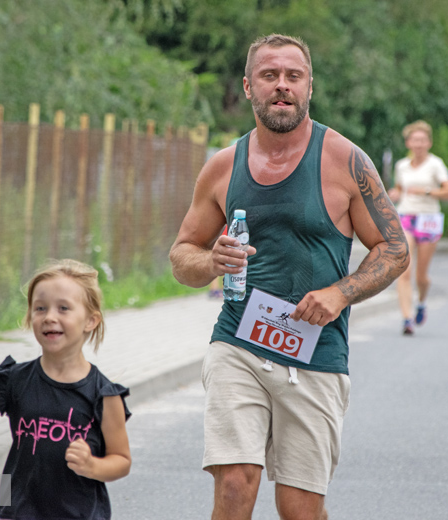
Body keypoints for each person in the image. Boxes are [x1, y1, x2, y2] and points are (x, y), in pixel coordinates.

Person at [169, 34, 409, 519]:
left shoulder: (345, 160)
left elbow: (395, 248)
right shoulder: (221, 166)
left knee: (299, 508)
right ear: (248, 86)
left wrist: (341, 293)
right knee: (235, 483)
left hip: (314, 350)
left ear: (309, 87)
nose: (282, 86)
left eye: (293, 76)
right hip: (238, 341)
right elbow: (182, 255)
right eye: (269, 76)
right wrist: (211, 262)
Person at [0, 259, 131, 520]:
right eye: (40, 308)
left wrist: (93, 465)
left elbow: (121, 461)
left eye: (64, 308)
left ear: (90, 320)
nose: (50, 317)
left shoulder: (104, 393)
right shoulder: (13, 379)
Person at [387, 120, 448, 335]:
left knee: (421, 276)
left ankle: (422, 301)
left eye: (423, 140)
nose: (418, 144)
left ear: (429, 143)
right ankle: (407, 319)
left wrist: (426, 191)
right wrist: (395, 194)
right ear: (408, 143)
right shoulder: (401, 166)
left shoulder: (436, 165)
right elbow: (399, 187)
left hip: (428, 219)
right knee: (404, 270)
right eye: (415, 140)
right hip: (406, 216)